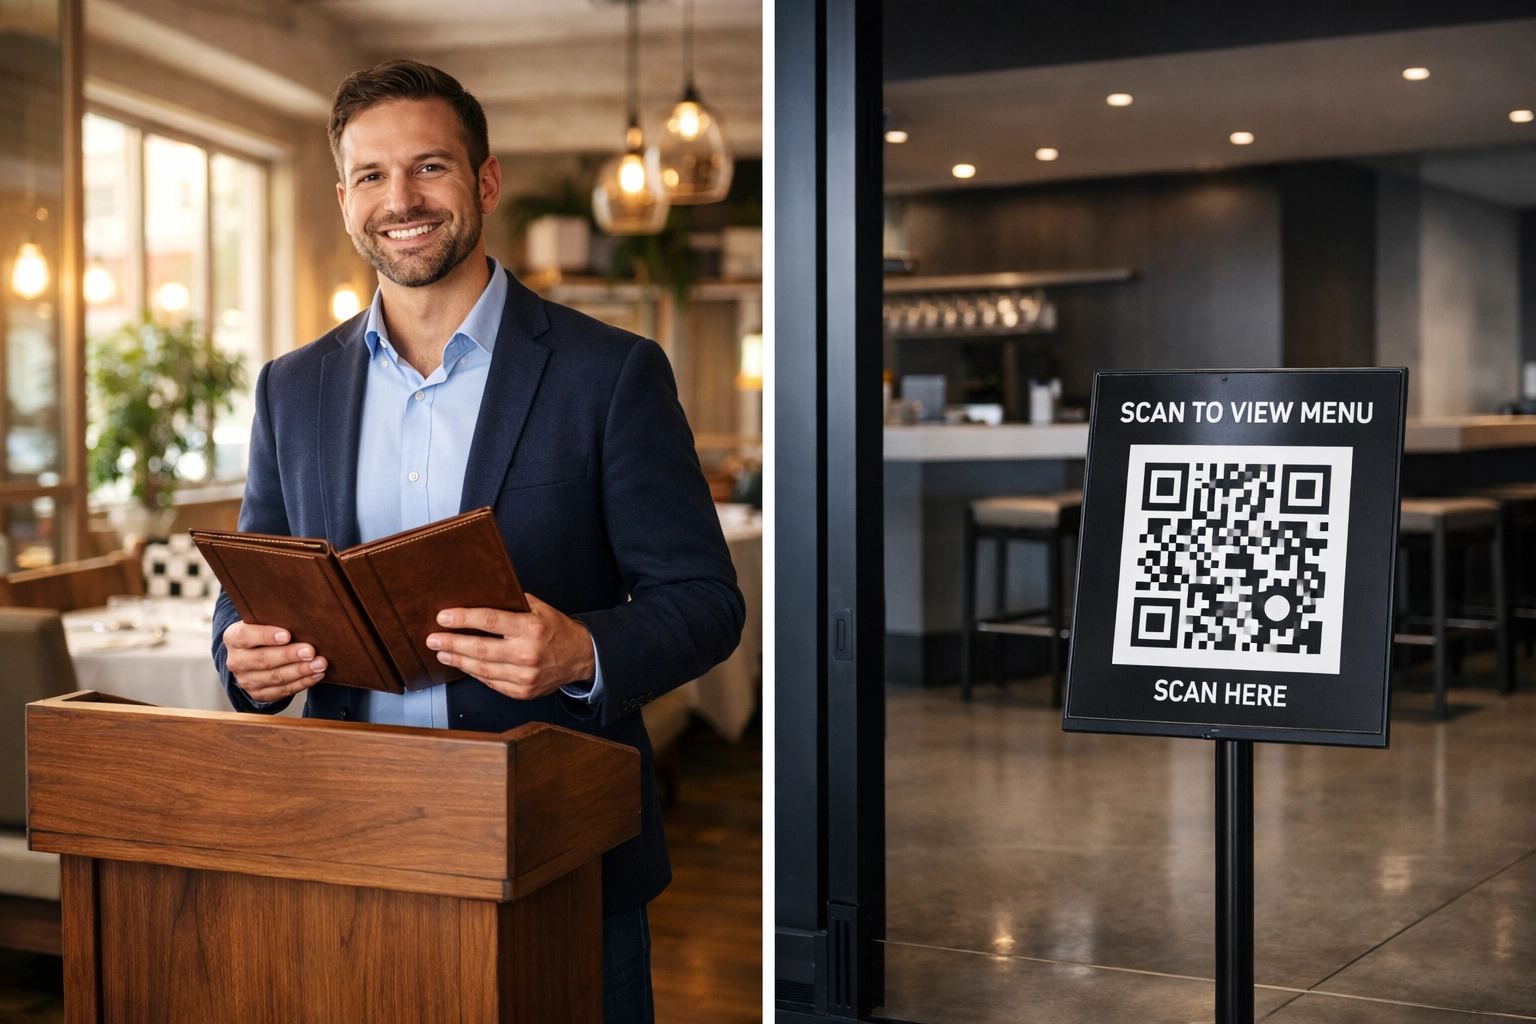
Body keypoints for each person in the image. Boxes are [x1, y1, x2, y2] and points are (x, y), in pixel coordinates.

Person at [210, 59, 744, 1023]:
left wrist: (582, 649)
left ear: (484, 181)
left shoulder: (610, 373)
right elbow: (248, 598)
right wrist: (246, 658)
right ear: (342, 199)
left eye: (430, 167)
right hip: (353, 855)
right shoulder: (291, 388)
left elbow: (707, 602)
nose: (400, 200)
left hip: (559, 851)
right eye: (371, 176)